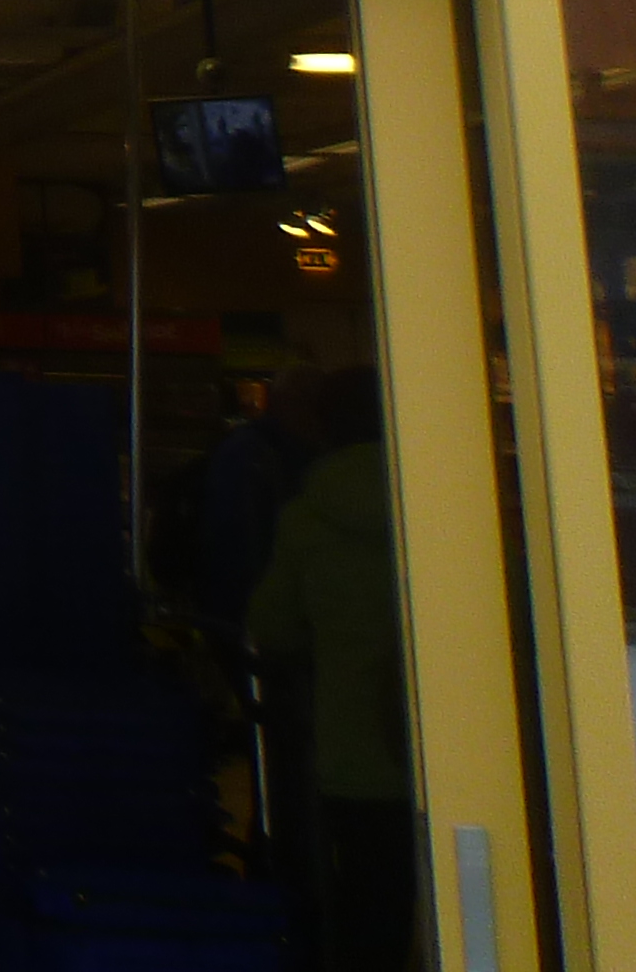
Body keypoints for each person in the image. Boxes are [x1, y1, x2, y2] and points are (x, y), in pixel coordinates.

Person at [250, 368, 412, 972]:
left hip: (356, 755)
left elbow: (273, 626)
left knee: (370, 904)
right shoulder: (445, 504)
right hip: (455, 748)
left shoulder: (308, 517)